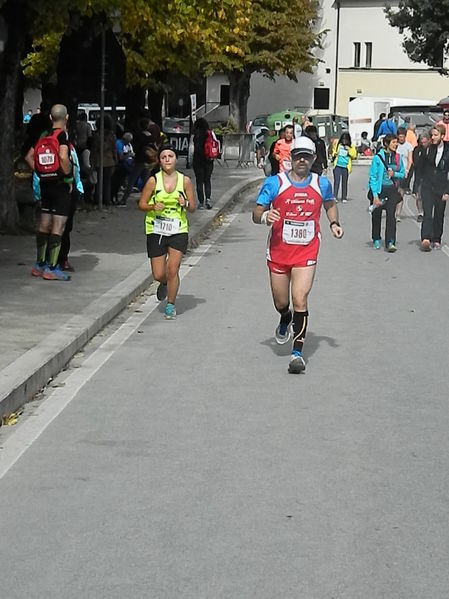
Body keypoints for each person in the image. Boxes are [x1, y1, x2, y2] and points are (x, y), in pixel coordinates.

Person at [252, 136, 344, 374]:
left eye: (307, 156)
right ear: (290, 158)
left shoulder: (321, 184)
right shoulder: (275, 183)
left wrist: (334, 222)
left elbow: (329, 203)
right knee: (282, 302)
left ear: (313, 158)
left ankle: (297, 354)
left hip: (307, 249)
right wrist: (264, 217)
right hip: (279, 251)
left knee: (300, 298)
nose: (302, 160)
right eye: (297, 155)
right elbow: (256, 211)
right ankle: (285, 316)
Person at [138, 144, 195, 319]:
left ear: (176, 159)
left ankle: (170, 304)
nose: (167, 160)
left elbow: (193, 207)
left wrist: (184, 203)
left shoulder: (184, 181)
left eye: (170, 156)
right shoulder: (153, 181)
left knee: (172, 269)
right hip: (156, 229)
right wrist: (152, 206)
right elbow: (141, 204)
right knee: (159, 274)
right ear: (160, 161)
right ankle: (164, 283)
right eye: (164, 157)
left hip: (178, 229)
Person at [25, 104, 73, 281]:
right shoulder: (62, 135)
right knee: (58, 226)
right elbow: (62, 157)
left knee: (44, 223)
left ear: (51, 118)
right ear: (66, 118)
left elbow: (29, 156)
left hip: (45, 184)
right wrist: (67, 177)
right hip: (60, 186)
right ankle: (52, 268)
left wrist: (41, 172)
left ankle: (39, 264)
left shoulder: (44, 135)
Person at [367, 133, 404, 252]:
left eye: (396, 142)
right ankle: (376, 238)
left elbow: (403, 174)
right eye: (393, 142)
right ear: (386, 144)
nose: (396, 144)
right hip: (379, 189)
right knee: (376, 215)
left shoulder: (398, 157)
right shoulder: (377, 158)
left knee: (391, 216)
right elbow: (372, 177)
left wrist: (395, 174)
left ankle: (390, 241)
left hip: (392, 190)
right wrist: (375, 196)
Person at [420, 124, 449, 251]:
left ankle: (436, 238)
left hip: (441, 187)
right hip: (427, 186)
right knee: (427, 213)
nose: (433, 137)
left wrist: (447, 191)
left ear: (442, 136)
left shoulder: (448, 150)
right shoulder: (428, 149)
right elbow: (420, 168)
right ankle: (425, 238)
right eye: (432, 135)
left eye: (436, 135)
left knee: (438, 214)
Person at [120, 118, 161, 206]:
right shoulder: (151, 136)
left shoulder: (139, 136)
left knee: (132, 180)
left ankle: (124, 200)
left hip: (139, 161)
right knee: (146, 181)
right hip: (148, 161)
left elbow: (137, 149)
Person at [90, 115, 117, 207]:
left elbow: (94, 149)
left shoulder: (97, 135)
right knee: (107, 182)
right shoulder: (112, 135)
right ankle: (107, 200)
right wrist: (115, 159)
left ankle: (97, 199)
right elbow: (114, 148)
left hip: (99, 160)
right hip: (109, 160)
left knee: (99, 182)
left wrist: (92, 162)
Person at [192, 117, 214, 209]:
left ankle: (201, 202)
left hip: (198, 161)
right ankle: (208, 199)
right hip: (208, 160)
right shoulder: (210, 133)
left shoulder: (195, 135)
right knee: (207, 180)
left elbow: (192, 149)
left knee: (199, 181)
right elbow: (216, 144)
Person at [330, 132, 357, 202]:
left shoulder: (351, 146)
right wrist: (334, 153)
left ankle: (344, 197)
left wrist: (349, 150)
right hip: (337, 165)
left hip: (345, 166)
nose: (344, 141)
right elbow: (333, 152)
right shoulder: (338, 145)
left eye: (346, 140)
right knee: (337, 181)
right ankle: (334, 196)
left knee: (344, 182)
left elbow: (354, 155)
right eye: (343, 139)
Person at [395, 127, 413, 222]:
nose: (401, 138)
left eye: (402, 137)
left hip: (403, 172)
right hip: (394, 171)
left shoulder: (409, 146)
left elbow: (410, 160)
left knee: (400, 193)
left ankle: (398, 214)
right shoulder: (395, 145)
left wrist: (407, 170)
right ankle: (392, 210)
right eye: (399, 137)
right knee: (393, 192)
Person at [412, 133, 430, 222]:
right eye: (422, 142)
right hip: (419, 175)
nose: (423, 144)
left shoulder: (431, 149)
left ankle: (428, 212)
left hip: (429, 176)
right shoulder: (417, 150)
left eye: (425, 142)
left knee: (428, 196)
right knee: (419, 196)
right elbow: (415, 162)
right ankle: (420, 213)